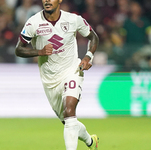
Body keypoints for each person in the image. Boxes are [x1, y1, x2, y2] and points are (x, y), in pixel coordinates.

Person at [15, 0, 99, 150]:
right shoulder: (33, 23)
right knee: (69, 121)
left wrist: (88, 57)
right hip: (50, 81)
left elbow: (93, 37)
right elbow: (19, 50)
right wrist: (39, 51)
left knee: (69, 111)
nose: (47, 0)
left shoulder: (73, 19)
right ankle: (91, 142)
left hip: (72, 71)